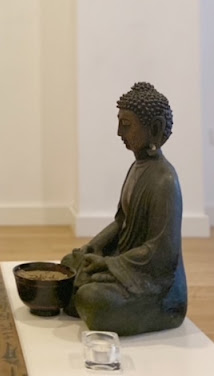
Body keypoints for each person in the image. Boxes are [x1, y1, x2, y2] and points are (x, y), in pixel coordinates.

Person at [62, 82, 187, 336]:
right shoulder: (136, 168)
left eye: (126, 125)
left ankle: (147, 311)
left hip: (156, 285)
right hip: (126, 263)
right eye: (119, 123)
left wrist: (109, 265)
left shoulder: (165, 180)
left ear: (155, 128)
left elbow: (161, 253)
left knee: (90, 299)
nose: (119, 132)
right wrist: (92, 247)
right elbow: (121, 222)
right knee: (69, 265)